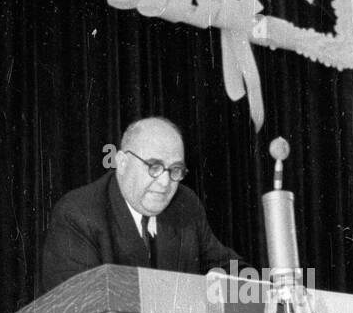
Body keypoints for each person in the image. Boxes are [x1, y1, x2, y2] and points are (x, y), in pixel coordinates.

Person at [41, 116, 240, 293]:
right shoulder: (78, 215)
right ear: (122, 163)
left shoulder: (185, 204)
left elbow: (226, 269)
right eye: (154, 166)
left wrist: (266, 286)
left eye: (176, 169)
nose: (165, 182)